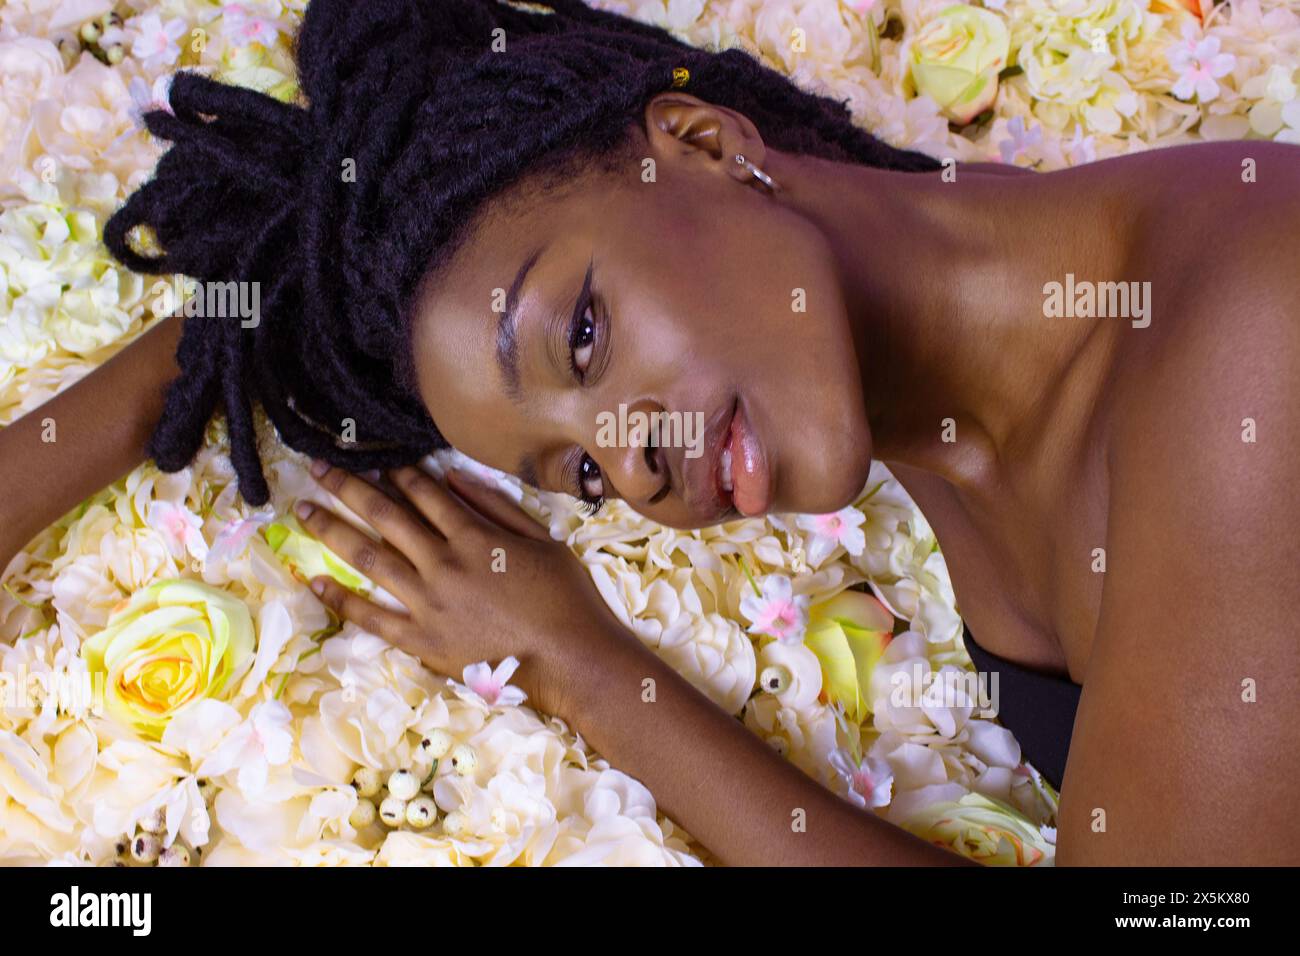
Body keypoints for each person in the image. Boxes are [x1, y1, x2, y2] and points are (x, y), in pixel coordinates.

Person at [1, 0, 1297, 866]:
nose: (626, 461)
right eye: (572, 471)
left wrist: (589, 673)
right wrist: (240, 325)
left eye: (579, 340)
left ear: (700, 140)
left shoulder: (1250, 337)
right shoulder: (971, 384)